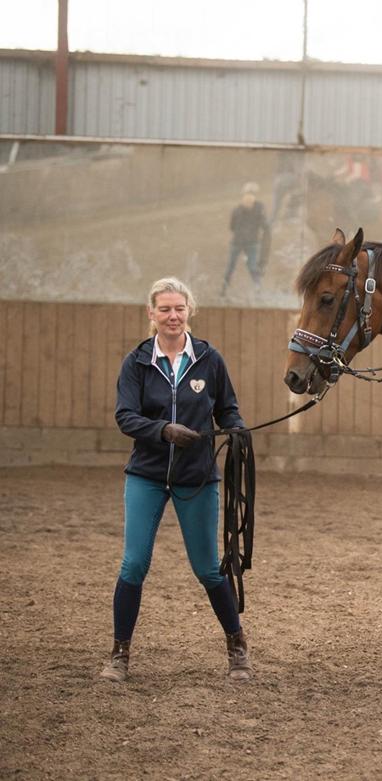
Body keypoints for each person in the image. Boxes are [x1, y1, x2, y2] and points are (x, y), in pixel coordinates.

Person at [101, 278, 254, 683]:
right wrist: (163, 431)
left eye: (179, 309)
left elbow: (228, 410)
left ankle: (237, 644)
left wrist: (237, 430)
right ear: (151, 314)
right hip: (147, 476)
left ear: (190, 312)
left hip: (197, 477)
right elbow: (125, 416)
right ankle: (120, 654)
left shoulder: (209, 359)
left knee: (208, 568)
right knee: (133, 564)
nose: (173, 316)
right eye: (165, 309)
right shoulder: (136, 363)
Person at [222, 182, 269, 297]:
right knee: (232, 266)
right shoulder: (238, 210)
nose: (249, 198)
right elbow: (232, 226)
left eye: (251, 195)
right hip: (239, 243)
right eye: (247, 195)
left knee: (251, 266)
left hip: (250, 243)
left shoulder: (256, 209)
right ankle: (224, 288)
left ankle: (257, 287)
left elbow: (232, 227)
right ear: (243, 197)